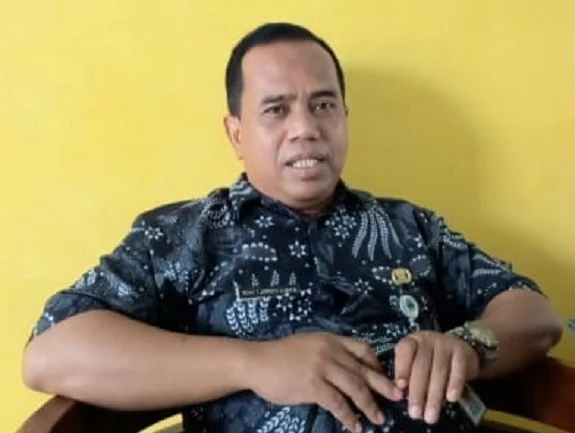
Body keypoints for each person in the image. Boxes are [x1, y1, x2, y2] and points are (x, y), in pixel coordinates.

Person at [22, 22, 562, 433]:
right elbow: (51, 352)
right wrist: (252, 364)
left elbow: (534, 314)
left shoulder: (408, 226)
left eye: (323, 105)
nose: (305, 128)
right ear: (236, 133)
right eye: (276, 110)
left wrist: (469, 345)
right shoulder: (185, 236)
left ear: (344, 117)